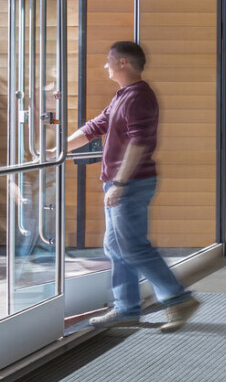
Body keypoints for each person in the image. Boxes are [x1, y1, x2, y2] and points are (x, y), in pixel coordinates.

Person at [68, 40, 201, 332]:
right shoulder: (123, 96)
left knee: (132, 247)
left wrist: (119, 182)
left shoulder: (139, 97)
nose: (106, 65)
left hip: (131, 184)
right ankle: (126, 309)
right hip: (122, 184)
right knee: (116, 247)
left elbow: (139, 143)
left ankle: (179, 299)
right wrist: (59, 151)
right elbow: (94, 127)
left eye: (109, 60)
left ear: (123, 63)